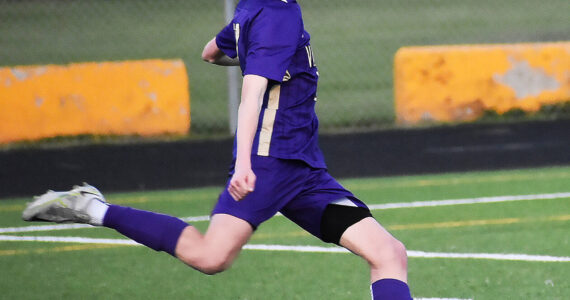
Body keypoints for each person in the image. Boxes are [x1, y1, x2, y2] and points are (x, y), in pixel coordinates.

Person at [22, 0, 412, 299]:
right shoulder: (278, 15)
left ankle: (94, 207)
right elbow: (252, 94)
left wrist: (258, 59)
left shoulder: (255, 10)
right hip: (268, 164)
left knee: (389, 253)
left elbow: (211, 51)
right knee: (211, 256)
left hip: (305, 171)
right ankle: (94, 208)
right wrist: (244, 162)